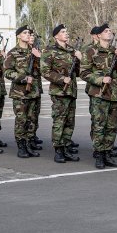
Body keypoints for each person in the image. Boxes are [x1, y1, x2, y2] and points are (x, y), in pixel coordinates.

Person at [80, 23, 117, 169]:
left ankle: (107, 153)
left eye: (110, 31)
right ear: (98, 35)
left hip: (113, 94)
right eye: (106, 31)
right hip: (98, 94)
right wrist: (100, 80)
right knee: (99, 126)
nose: (109, 33)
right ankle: (99, 155)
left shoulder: (115, 51)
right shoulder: (91, 51)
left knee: (112, 127)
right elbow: (84, 73)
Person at [41, 24, 82, 163]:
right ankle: (58, 150)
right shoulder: (49, 51)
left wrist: (80, 59)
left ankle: (66, 147)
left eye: (67, 31)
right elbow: (45, 71)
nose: (66, 34)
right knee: (59, 121)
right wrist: (61, 79)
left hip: (71, 91)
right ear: (56, 36)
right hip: (59, 92)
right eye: (63, 32)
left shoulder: (72, 50)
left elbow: (79, 72)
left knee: (70, 122)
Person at [4, 25, 42, 158]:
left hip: (34, 92)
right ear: (18, 36)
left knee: (32, 120)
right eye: (24, 33)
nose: (27, 35)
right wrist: (23, 78)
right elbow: (7, 72)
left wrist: (40, 58)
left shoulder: (34, 51)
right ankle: (21, 147)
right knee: (22, 120)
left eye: (29, 33)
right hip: (20, 93)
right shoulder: (13, 53)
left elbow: (44, 70)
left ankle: (28, 144)